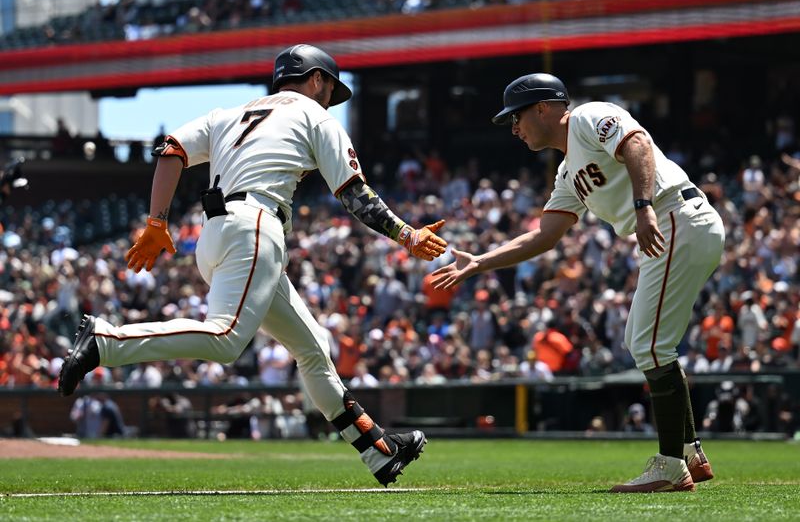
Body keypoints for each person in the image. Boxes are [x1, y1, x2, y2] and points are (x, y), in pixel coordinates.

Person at [57, 44, 446, 486]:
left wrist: (157, 221)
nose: (329, 99)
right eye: (330, 89)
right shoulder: (314, 114)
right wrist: (408, 236)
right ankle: (106, 341)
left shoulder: (228, 113)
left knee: (313, 346)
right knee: (225, 339)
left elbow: (170, 150)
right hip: (257, 225)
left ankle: (377, 450)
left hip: (216, 233)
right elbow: (354, 195)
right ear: (316, 79)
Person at [432, 72, 724, 493]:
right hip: (675, 226)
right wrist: (480, 261)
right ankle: (689, 452)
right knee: (649, 342)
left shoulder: (587, 117)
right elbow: (545, 235)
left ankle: (670, 466)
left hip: (675, 215)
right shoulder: (568, 172)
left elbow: (637, 144)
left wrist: (643, 207)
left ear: (543, 107)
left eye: (516, 117)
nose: (514, 128)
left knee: (647, 343)